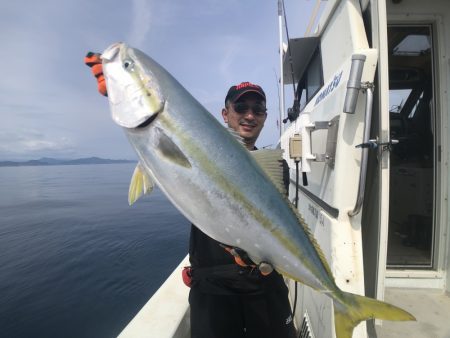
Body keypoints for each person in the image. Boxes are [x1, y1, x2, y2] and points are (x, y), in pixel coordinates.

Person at [85, 55, 296, 338]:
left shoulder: (275, 167)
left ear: (265, 117)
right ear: (225, 114)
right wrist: (125, 92)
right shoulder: (199, 151)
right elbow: (169, 134)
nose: (249, 115)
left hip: (264, 283)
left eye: (257, 109)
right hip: (212, 290)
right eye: (241, 106)